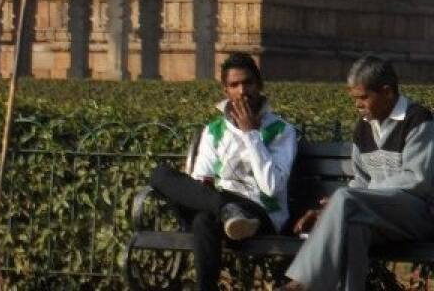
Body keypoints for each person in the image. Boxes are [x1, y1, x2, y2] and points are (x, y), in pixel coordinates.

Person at [279, 56, 434, 291]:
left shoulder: (417, 120)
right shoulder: (363, 127)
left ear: (387, 92)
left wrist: (353, 199)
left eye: (363, 98)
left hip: (417, 214)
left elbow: (416, 179)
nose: (357, 105)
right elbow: (360, 179)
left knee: (343, 199)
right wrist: (332, 210)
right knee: (353, 227)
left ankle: (304, 282)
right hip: (375, 216)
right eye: (355, 99)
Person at [148, 51, 296, 291]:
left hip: (258, 212)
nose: (242, 91)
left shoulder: (282, 131)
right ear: (225, 91)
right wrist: (217, 202)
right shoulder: (214, 130)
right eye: (234, 85)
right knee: (161, 174)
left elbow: (272, 187)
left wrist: (251, 135)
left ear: (259, 85)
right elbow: (199, 182)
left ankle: (225, 211)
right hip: (218, 206)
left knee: (203, 221)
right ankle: (225, 209)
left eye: (247, 83)